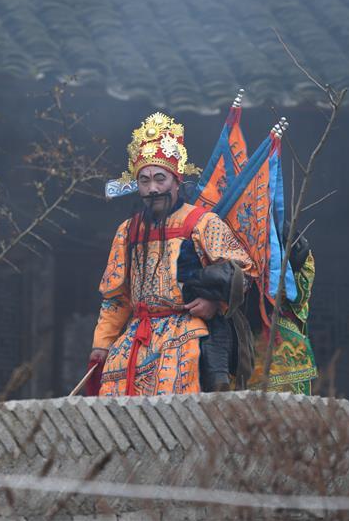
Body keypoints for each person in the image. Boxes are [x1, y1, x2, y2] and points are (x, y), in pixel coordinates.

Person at [88, 112, 256, 396]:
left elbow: (244, 271)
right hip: (134, 339)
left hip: (185, 332)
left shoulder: (202, 223)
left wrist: (214, 301)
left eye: (160, 179)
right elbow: (116, 298)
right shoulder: (127, 232)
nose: (153, 188)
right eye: (144, 180)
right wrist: (101, 345)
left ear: (177, 181)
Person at [248, 224, 318, 394]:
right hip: (258, 342)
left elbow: (298, 295)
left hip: (281, 343)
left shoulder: (291, 238)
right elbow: (299, 295)